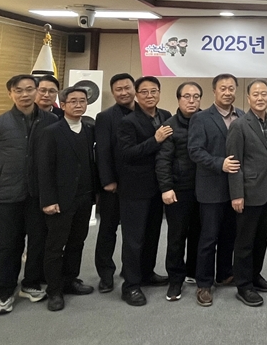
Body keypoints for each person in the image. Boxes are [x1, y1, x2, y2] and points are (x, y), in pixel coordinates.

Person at [0, 74, 59, 315]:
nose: (25, 94)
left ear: (36, 91)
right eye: (18, 90)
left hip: (38, 195)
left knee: (38, 242)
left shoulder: (51, 120)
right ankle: (5, 291)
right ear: (10, 93)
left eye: (30, 89)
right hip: (6, 197)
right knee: (7, 245)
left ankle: (31, 283)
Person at [38, 87, 97, 311]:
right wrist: (48, 200)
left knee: (77, 242)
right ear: (62, 105)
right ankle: (54, 290)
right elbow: (44, 168)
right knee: (55, 246)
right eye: (73, 101)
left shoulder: (89, 129)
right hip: (60, 200)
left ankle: (70, 280)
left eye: (82, 101)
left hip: (84, 197)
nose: (78, 105)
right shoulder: (51, 131)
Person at [188, 73, 244, 307]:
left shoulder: (242, 116)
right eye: (223, 88)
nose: (228, 92)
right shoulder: (201, 118)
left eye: (231, 88)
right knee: (208, 238)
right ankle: (204, 284)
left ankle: (224, 274)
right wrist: (219, 163)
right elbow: (195, 151)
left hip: (236, 189)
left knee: (230, 235)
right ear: (214, 91)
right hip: (211, 187)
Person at [116, 76, 172, 306]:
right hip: (135, 189)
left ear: (159, 93)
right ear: (137, 95)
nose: (150, 95)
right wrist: (155, 140)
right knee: (134, 239)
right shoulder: (128, 122)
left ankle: (147, 273)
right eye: (145, 92)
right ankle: (130, 285)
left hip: (158, 187)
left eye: (154, 91)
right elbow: (127, 154)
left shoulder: (166, 116)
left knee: (152, 234)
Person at [226, 79, 267, 307]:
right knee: (245, 241)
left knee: (261, 239)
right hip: (247, 193)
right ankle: (243, 285)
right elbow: (234, 162)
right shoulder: (239, 126)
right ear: (248, 98)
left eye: (264, 94)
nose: (260, 98)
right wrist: (236, 194)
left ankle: (255, 276)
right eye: (255, 94)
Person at [155, 81, 203, 302]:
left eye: (196, 96)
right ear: (178, 99)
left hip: (204, 189)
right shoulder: (169, 126)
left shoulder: (206, 121)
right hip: (178, 189)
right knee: (177, 236)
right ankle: (175, 279)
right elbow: (163, 160)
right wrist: (166, 188)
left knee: (199, 234)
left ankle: (193, 271)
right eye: (187, 96)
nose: (191, 101)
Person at [94, 73, 136, 293]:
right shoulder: (105, 117)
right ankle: (106, 275)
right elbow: (102, 151)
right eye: (118, 89)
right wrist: (108, 180)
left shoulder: (146, 112)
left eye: (127, 88)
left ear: (134, 89)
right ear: (113, 92)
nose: (123, 92)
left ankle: (131, 271)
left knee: (134, 233)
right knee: (108, 230)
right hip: (114, 186)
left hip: (138, 185)